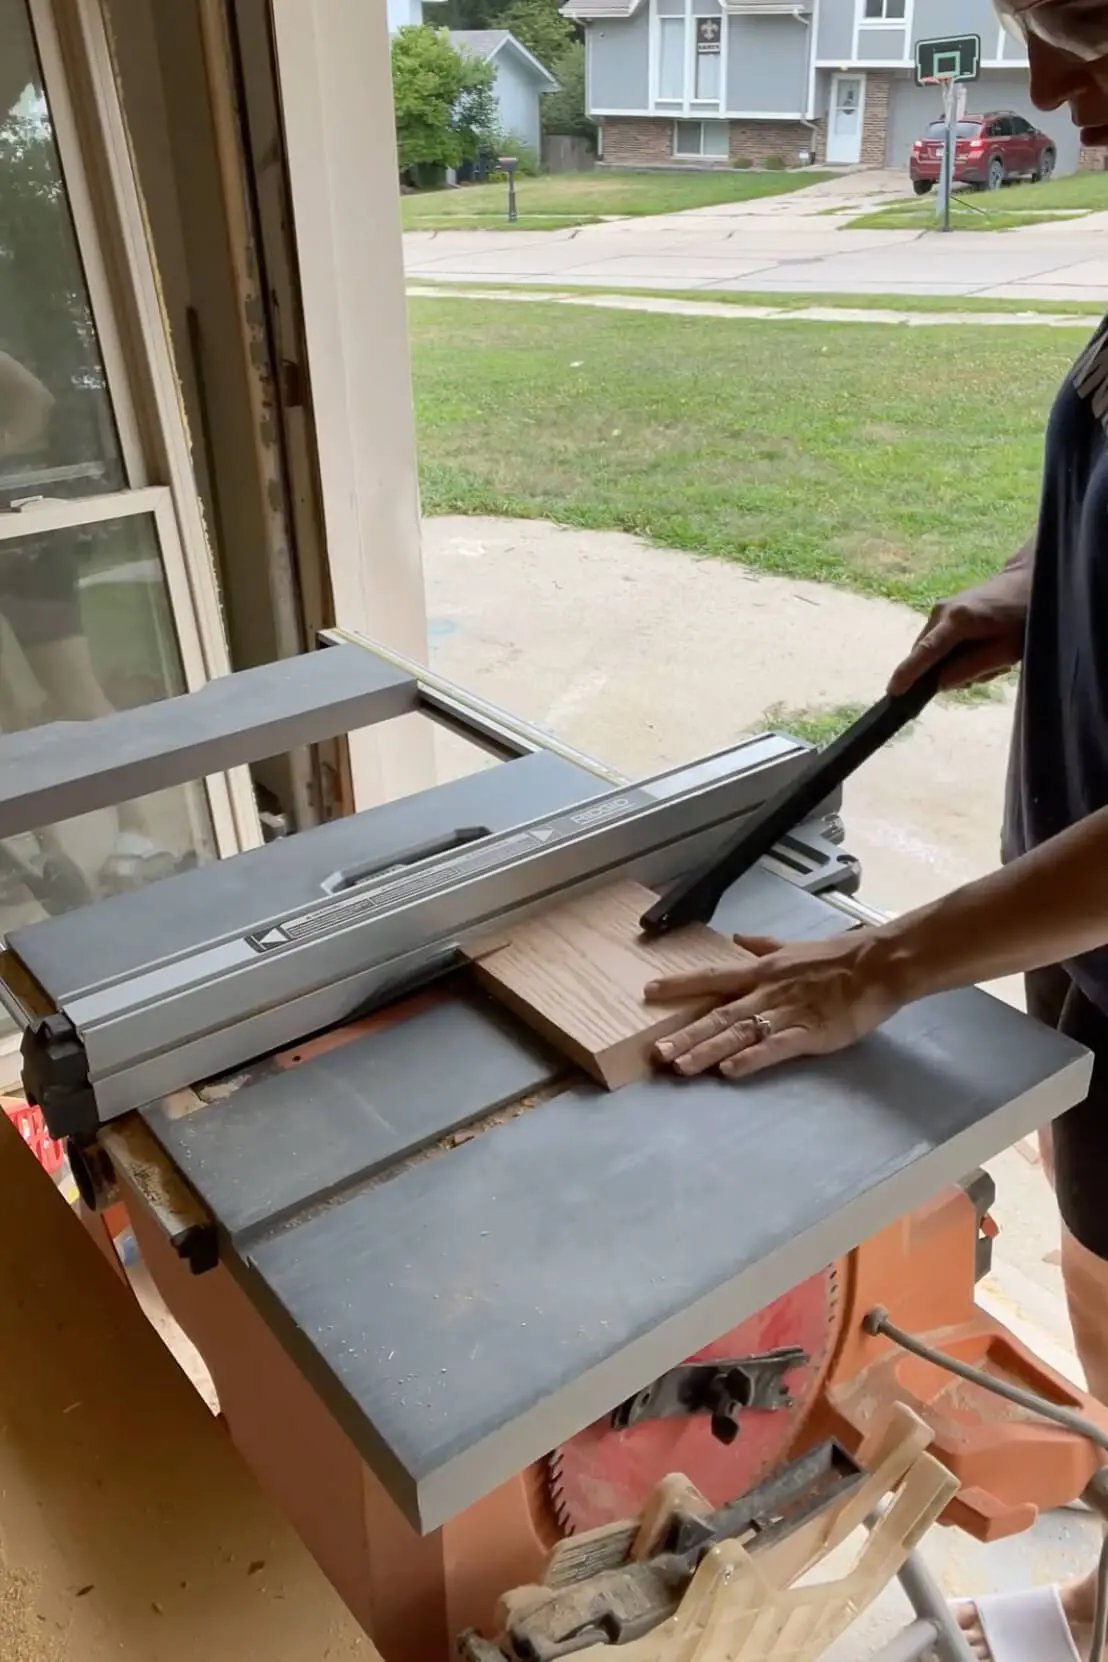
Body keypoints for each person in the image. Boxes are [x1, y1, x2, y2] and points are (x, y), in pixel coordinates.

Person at [648, 5, 1108, 1658]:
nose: (1049, 88)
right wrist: (1039, 574)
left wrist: (882, 964)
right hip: (1083, 940)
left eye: (1091, 26)